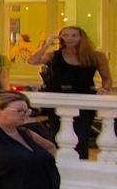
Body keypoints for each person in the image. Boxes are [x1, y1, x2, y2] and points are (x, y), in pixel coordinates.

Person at [27, 26, 111, 158]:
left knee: (81, 135)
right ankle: (59, 166)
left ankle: (81, 164)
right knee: (58, 133)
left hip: (84, 99)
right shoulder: (55, 55)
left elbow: (107, 78)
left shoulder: (96, 56)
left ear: (82, 37)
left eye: (74, 35)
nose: (70, 38)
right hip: (57, 99)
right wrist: (47, 44)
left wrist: (104, 89)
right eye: (65, 35)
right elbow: (32, 61)